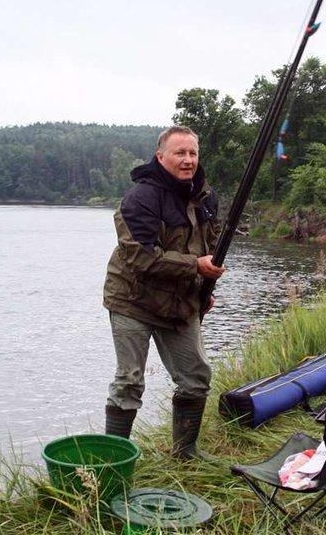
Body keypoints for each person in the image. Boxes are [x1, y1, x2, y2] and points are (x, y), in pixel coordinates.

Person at [102, 126, 225, 459]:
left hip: (180, 300)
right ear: (161, 157)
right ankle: (113, 460)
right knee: (130, 382)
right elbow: (142, 258)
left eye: (192, 153)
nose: (187, 160)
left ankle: (185, 453)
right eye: (179, 153)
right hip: (132, 300)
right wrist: (195, 268)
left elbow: (210, 248)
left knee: (196, 378)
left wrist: (205, 284)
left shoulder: (206, 197)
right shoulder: (139, 198)